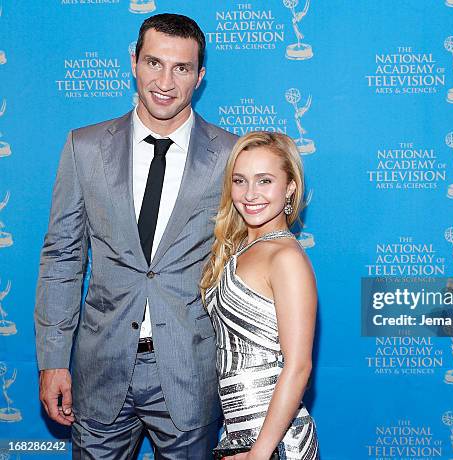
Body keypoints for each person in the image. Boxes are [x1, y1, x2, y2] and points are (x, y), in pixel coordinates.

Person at [34, 13, 236, 459]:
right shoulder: (83, 148)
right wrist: (52, 359)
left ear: (200, 75)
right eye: (154, 63)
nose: (165, 81)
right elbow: (63, 259)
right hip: (101, 366)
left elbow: (250, 262)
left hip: (191, 369)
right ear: (133, 62)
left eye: (181, 68)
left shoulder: (229, 155)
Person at [201, 132, 320, 460]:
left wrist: (260, 453)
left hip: (276, 443)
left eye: (264, 181)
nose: (250, 194)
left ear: (290, 187)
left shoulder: (286, 258)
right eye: (240, 181)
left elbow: (298, 367)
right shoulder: (240, 248)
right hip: (240, 435)